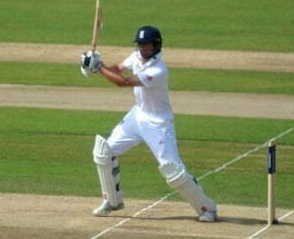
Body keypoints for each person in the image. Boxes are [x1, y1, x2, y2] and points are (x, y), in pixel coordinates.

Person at [80, 25, 217, 222]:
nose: (143, 48)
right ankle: (112, 201)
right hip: (137, 116)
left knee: (173, 171)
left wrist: (99, 67)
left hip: (158, 123)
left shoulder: (158, 70)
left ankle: (207, 208)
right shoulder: (136, 56)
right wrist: (93, 66)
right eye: (140, 44)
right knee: (104, 152)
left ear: (157, 45)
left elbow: (123, 82)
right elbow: (118, 69)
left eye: (147, 45)